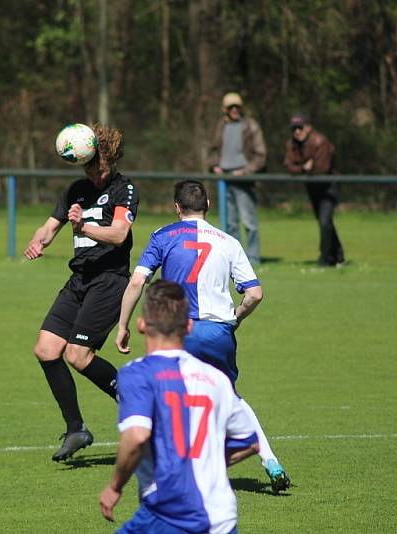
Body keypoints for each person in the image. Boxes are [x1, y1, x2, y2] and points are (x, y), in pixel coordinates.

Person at [114, 180, 291, 494]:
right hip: (220, 331)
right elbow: (255, 294)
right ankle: (270, 461)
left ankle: (172, 472)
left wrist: (123, 325)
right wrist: (233, 319)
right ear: (208, 205)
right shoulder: (228, 241)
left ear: (176, 208)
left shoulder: (162, 236)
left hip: (180, 332)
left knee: (168, 399)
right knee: (230, 396)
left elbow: (136, 282)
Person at [100, 280, 260, 533]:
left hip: (171, 513)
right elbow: (250, 441)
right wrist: (202, 465)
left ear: (141, 325)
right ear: (188, 326)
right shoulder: (217, 379)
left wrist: (114, 487)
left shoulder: (137, 374)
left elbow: (137, 436)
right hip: (221, 518)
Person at [24, 123, 139, 462]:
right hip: (79, 280)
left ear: (110, 160)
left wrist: (83, 225)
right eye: (87, 168)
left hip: (109, 281)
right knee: (46, 349)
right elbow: (49, 226)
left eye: (97, 167)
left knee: (78, 356)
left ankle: (136, 404)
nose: (93, 174)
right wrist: (38, 240)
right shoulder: (76, 188)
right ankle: (76, 429)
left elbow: (119, 235)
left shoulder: (124, 189)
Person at [208, 91, 267, 265]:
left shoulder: (250, 125)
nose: (234, 110)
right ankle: (234, 258)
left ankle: (254, 258)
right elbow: (212, 150)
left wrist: (245, 171)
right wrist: (214, 166)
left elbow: (261, 154)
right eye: (230, 107)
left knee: (249, 222)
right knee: (229, 224)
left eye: (237, 107)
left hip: (243, 180)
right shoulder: (220, 125)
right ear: (224, 109)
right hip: (224, 180)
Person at [283, 113, 345, 267]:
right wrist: (304, 166)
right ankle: (338, 255)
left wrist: (302, 167)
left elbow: (321, 169)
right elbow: (288, 166)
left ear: (308, 127)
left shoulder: (320, 141)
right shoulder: (291, 144)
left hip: (328, 186)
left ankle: (325, 258)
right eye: (294, 129)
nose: (297, 131)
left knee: (325, 222)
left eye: (300, 127)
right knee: (325, 222)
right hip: (312, 187)